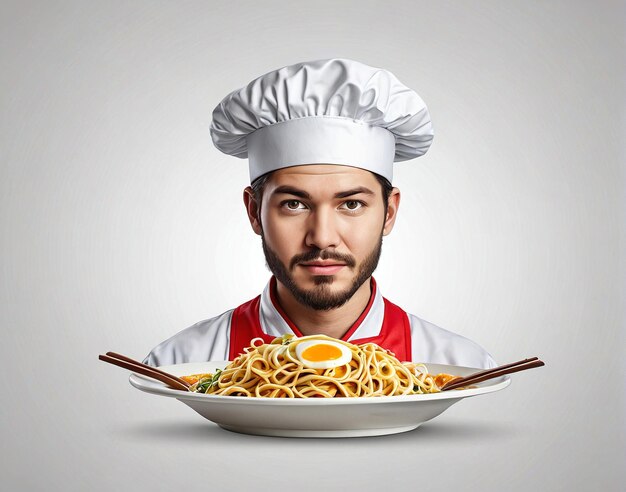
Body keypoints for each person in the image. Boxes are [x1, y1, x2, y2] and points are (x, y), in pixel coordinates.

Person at [144, 58, 496, 369]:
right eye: (294, 204)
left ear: (389, 213)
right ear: (254, 211)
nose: (322, 237)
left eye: (351, 204)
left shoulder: (462, 369)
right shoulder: (178, 367)